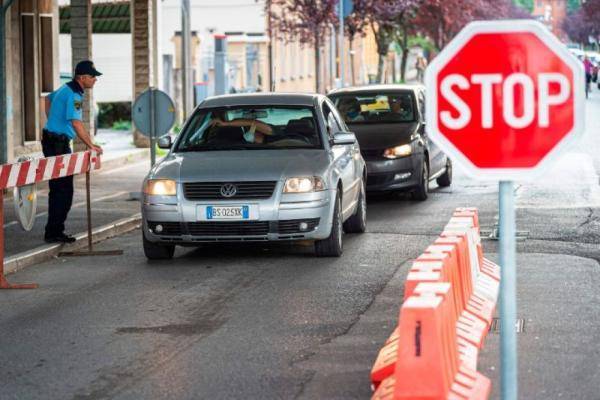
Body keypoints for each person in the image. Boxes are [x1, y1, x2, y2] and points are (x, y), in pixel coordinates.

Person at [42, 60, 103, 243]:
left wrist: (52, 123)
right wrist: (91, 145)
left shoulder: (65, 88)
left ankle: (53, 230)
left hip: (51, 140)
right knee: (63, 191)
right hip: (58, 144)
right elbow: (76, 123)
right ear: (82, 77)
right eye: (93, 77)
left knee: (58, 188)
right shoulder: (75, 95)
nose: (95, 80)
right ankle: (54, 232)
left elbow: (47, 99)